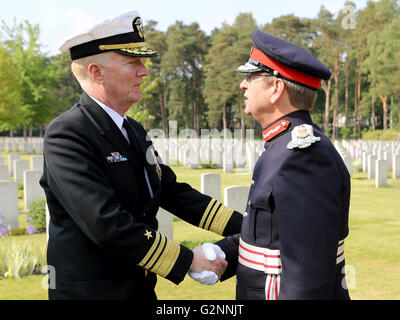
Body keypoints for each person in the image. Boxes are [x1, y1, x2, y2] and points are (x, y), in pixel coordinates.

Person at [39, 10, 242, 300]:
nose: (144, 71)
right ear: (96, 72)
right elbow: (106, 223)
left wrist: (250, 227)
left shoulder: (131, 129)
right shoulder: (68, 134)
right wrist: (187, 260)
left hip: (139, 289)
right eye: (132, 62)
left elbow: (170, 191)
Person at [197, 30, 351, 300]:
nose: (242, 86)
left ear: (276, 89)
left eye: (250, 77)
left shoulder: (303, 156)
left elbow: (308, 274)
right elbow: (272, 238)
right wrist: (223, 253)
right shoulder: (282, 146)